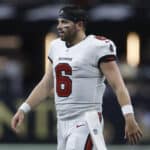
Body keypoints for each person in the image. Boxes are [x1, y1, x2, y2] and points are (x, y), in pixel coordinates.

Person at [11, 5, 143, 150]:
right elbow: (46, 84)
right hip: (62, 121)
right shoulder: (56, 46)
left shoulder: (97, 46)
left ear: (79, 25)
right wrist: (23, 109)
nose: (59, 26)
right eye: (59, 22)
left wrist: (129, 116)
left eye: (65, 22)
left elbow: (118, 86)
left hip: (86, 119)